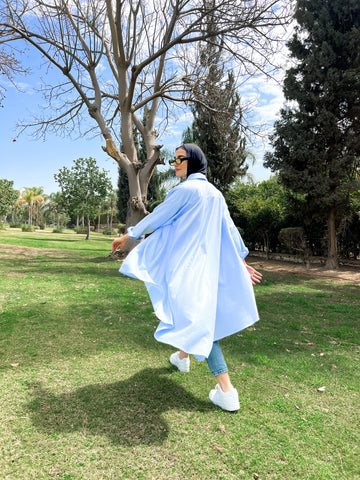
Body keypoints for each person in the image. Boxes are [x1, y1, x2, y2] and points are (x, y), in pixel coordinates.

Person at [112, 144, 262, 412]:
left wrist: (127, 236)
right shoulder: (216, 195)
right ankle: (182, 358)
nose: (175, 163)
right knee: (193, 316)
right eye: (174, 159)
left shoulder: (185, 191)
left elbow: (157, 218)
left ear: (193, 161)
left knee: (201, 324)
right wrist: (241, 262)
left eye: (180, 159)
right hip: (206, 269)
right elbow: (230, 230)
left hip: (188, 269)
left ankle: (227, 392)